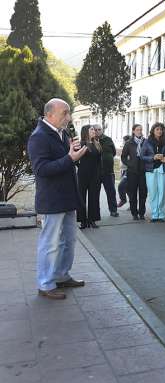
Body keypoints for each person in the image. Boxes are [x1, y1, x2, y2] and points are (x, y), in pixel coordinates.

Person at [27, 98, 88, 300]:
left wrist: (74, 154)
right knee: (50, 243)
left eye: (69, 113)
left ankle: (61, 275)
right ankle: (45, 284)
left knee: (68, 241)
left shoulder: (61, 133)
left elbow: (65, 163)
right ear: (50, 114)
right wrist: (70, 158)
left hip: (68, 198)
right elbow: (41, 170)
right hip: (52, 200)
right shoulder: (39, 137)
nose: (69, 118)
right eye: (65, 113)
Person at [141, 122, 165, 222]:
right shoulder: (147, 141)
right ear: (153, 130)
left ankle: (161, 214)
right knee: (153, 192)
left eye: (161, 129)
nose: (159, 131)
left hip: (163, 169)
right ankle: (154, 214)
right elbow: (142, 156)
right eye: (157, 129)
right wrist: (153, 157)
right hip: (151, 170)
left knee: (162, 192)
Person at [76, 124, 102, 229]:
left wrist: (100, 173)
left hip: (95, 175)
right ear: (86, 131)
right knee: (81, 197)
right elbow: (75, 159)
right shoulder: (81, 144)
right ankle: (83, 221)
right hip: (83, 175)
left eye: (94, 130)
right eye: (91, 129)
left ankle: (92, 220)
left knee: (94, 197)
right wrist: (81, 167)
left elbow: (99, 161)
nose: (94, 131)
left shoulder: (97, 144)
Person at [121, 124, 147, 220]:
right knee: (132, 193)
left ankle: (142, 213)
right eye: (137, 130)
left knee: (143, 193)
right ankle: (134, 213)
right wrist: (130, 164)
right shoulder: (129, 143)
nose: (139, 131)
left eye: (141, 129)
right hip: (132, 171)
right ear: (133, 131)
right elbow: (123, 157)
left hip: (143, 171)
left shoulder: (146, 142)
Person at [93, 124, 119, 217]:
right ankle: (95, 213)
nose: (97, 131)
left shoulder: (108, 139)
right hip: (95, 172)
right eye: (95, 130)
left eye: (99, 129)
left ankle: (113, 210)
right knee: (95, 193)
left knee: (111, 191)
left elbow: (114, 152)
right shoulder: (91, 141)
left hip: (108, 171)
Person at [117, 135, 131, 208]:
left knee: (121, 186)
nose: (124, 143)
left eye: (125, 141)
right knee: (128, 188)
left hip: (128, 171)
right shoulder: (124, 148)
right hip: (123, 170)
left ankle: (123, 200)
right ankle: (132, 203)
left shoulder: (131, 148)